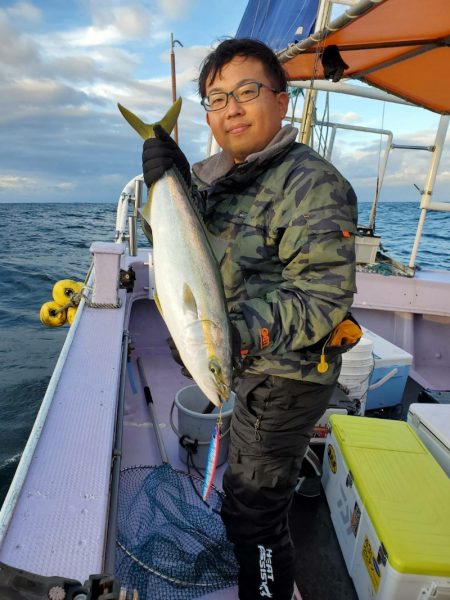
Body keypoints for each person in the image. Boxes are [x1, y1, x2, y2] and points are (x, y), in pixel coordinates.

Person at [142, 38, 359, 600]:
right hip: (235, 365)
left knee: (255, 513)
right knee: (242, 486)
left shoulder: (312, 183)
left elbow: (322, 297)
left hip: (287, 377)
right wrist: (170, 184)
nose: (231, 108)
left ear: (282, 100)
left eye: (246, 91)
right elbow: (180, 260)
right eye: (216, 99)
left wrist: (219, 335)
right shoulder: (214, 181)